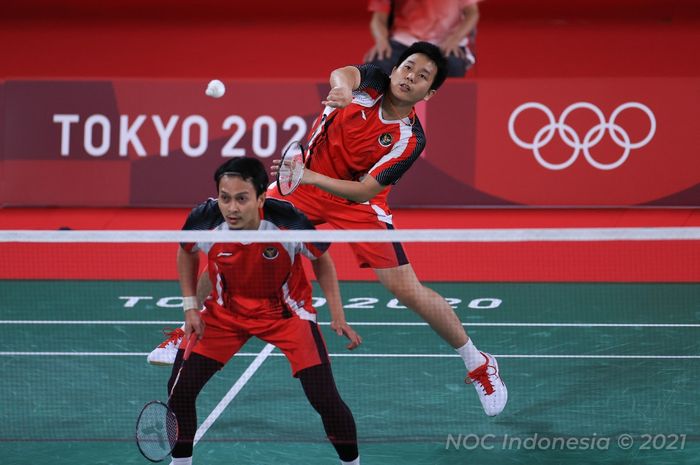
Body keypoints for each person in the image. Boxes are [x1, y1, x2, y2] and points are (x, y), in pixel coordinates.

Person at [152, 41, 506, 417]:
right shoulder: (370, 84)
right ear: (396, 68)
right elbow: (345, 73)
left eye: (422, 77)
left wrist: (310, 176)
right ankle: (188, 329)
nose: (409, 78)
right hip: (302, 186)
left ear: (429, 93)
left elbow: (366, 189)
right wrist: (339, 88)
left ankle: (479, 361)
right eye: (407, 68)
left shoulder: (410, 139)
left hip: (356, 202)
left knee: (405, 289)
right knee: (239, 241)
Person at [165, 157, 362, 465]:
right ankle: (181, 464)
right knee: (178, 391)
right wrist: (191, 307)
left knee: (324, 397)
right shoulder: (204, 218)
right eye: (225, 197)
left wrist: (337, 313)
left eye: (241, 199)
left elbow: (321, 259)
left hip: (286, 315)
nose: (231, 208)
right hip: (225, 315)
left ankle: (352, 463)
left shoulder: (288, 221)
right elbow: (185, 252)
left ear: (260, 198)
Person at [364, 0, 480, 78]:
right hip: (403, 41)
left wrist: (455, 39)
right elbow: (379, 18)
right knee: (378, 63)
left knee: (453, 65)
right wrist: (381, 40)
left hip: (445, 42)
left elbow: (472, 13)